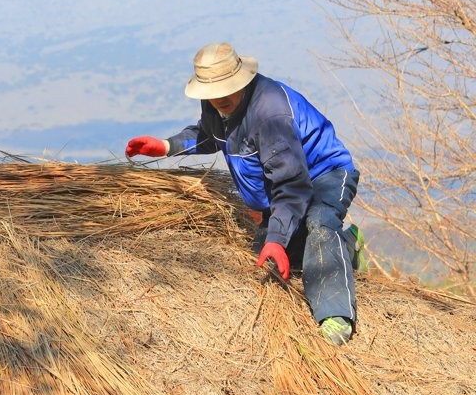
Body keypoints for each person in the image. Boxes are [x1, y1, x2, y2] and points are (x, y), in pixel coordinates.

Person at [125, 42, 363, 345]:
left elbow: (293, 186)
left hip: (323, 175)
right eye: (211, 94)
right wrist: (166, 146)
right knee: (275, 260)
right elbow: (213, 136)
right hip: (283, 187)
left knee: (320, 224)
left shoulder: (270, 113)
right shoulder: (217, 103)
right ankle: (349, 243)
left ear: (243, 81)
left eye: (225, 90)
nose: (219, 99)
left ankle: (335, 314)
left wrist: (278, 237)